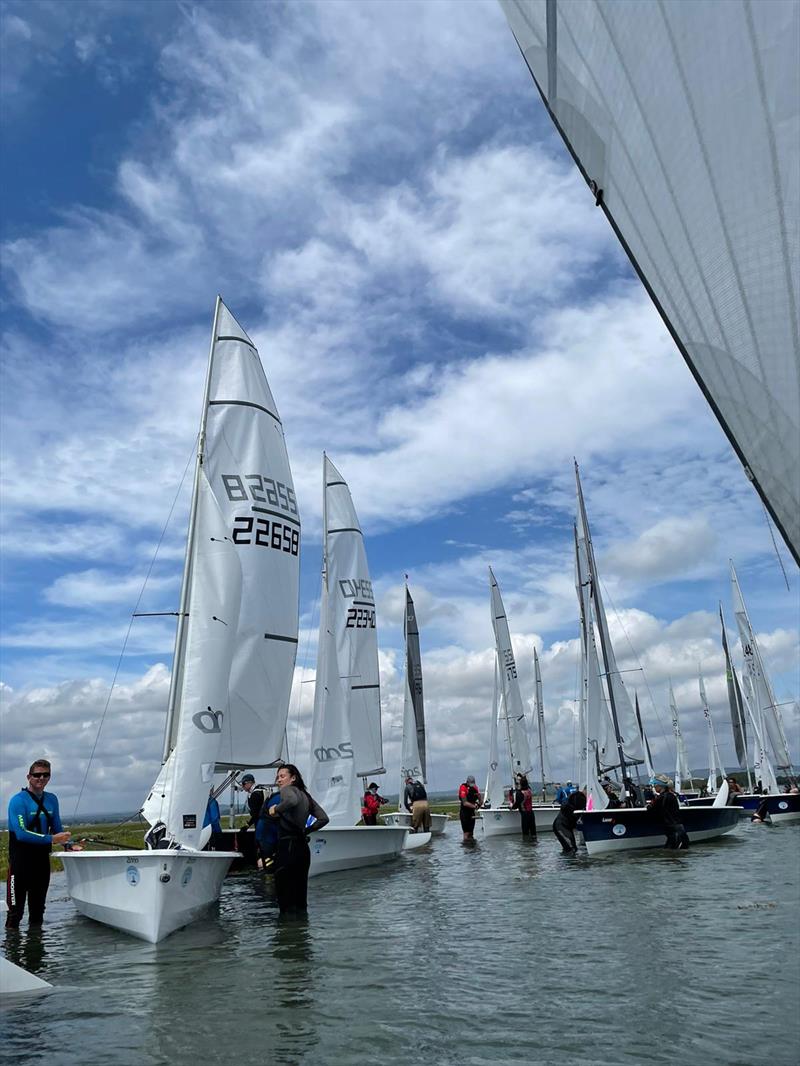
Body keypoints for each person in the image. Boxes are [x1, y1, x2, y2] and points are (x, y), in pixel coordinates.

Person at [6, 759, 81, 928]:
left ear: (49, 777)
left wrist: (67, 845)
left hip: (41, 863)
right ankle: (11, 952)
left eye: (45, 775)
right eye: (37, 775)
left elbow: (57, 828)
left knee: (38, 912)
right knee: (15, 914)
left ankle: (36, 952)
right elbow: (21, 833)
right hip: (19, 863)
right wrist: (52, 839)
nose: (41, 778)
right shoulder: (18, 801)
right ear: (29, 776)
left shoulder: (52, 799)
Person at [266, 764, 329, 914]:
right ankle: (302, 934)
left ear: (293, 778)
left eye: (282, 776)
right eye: (278, 777)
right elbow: (323, 819)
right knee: (301, 899)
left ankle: (287, 934)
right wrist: (306, 831)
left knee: (285, 900)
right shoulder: (306, 796)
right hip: (302, 849)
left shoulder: (287, 790)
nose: (279, 780)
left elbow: (291, 801)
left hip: (287, 848)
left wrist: (275, 809)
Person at [647, 776, 690, 849]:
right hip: (679, 830)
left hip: (673, 832)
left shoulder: (662, 797)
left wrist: (650, 805)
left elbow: (651, 809)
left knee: (671, 855)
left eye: (655, 785)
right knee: (676, 855)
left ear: (660, 786)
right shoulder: (672, 796)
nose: (654, 787)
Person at [552, 788, 587, 853]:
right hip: (560, 827)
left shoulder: (579, 798)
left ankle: (564, 861)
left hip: (566, 826)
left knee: (571, 849)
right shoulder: (577, 796)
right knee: (572, 849)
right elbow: (564, 806)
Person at [255, 790, 282, 870]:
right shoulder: (280, 797)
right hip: (268, 835)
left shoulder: (275, 796)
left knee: (264, 859)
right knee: (267, 862)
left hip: (264, 834)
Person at [458, 775, 482, 841]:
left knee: (471, 833)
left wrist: (480, 798)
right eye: (470, 783)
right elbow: (465, 803)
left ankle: (473, 847)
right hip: (464, 812)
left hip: (471, 813)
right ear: (467, 782)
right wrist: (475, 806)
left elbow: (480, 803)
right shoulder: (463, 787)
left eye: (473, 783)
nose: (472, 785)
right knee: (466, 833)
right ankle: (466, 847)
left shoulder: (475, 788)